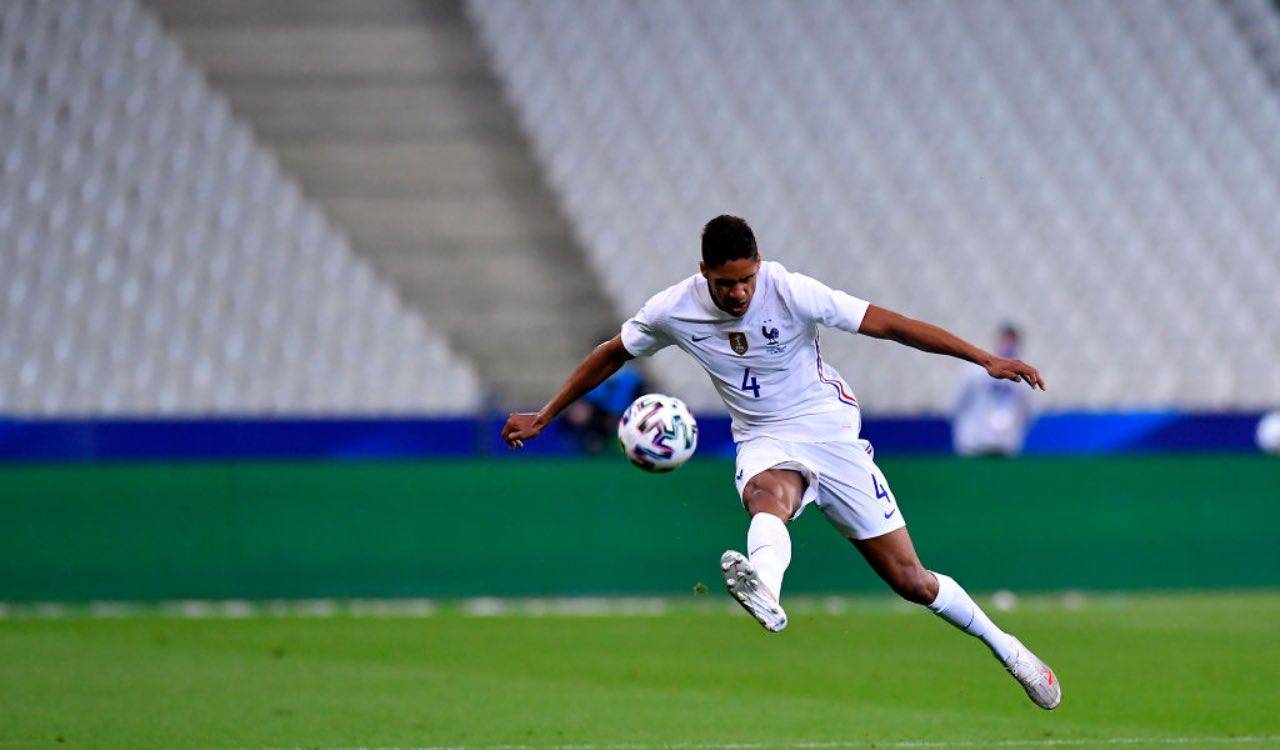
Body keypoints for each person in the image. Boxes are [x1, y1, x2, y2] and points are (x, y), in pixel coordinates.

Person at [502, 215, 1060, 710]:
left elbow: (890, 324)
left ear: (759, 266)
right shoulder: (673, 309)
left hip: (829, 430)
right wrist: (547, 415)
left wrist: (985, 358)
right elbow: (611, 353)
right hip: (763, 437)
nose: (739, 293)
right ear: (704, 272)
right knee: (768, 494)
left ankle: (1010, 650)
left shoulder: (791, 291)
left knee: (910, 580)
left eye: (746, 279)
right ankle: (765, 588)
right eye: (726, 283)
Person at [951, 324, 1037, 456]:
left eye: (1013, 342)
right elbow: (957, 402)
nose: (1009, 347)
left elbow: (1028, 412)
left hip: (1005, 447)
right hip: (973, 444)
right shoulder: (975, 370)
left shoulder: (1023, 379)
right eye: (1005, 341)